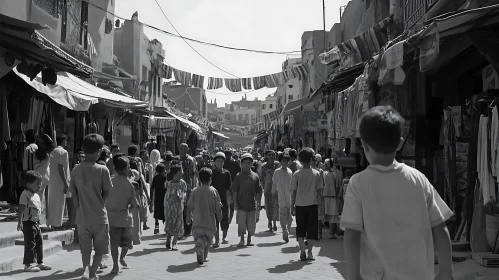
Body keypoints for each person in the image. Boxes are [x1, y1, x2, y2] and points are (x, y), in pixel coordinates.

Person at [341, 106, 453, 280]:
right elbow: (440, 227)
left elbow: (351, 235)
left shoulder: (358, 183)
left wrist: (353, 277)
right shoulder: (419, 179)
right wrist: (446, 272)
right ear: (400, 143)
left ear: (363, 145)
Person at [69, 134, 112, 280]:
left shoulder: (75, 170)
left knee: (85, 250)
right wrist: (100, 202)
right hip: (100, 217)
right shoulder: (102, 170)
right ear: (100, 151)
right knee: (100, 250)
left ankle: (86, 271)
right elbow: (107, 192)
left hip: (82, 218)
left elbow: (73, 193)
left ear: (83, 150)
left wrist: (78, 207)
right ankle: (93, 273)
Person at [291, 147, 323, 261]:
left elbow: (293, 192)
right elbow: (319, 192)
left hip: (299, 205)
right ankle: (310, 252)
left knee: (300, 228)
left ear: (300, 159)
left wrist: (292, 206)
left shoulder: (296, 174)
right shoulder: (317, 173)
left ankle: (302, 251)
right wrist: (320, 207)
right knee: (312, 230)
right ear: (311, 160)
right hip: (312, 205)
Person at [107, 156, 137, 274]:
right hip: (125, 219)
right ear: (127, 169)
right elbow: (134, 204)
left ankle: (115, 265)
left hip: (112, 218)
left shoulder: (110, 181)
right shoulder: (129, 184)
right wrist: (130, 214)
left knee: (114, 243)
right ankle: (122, 257)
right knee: (127, 243)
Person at [17, 171, 52, 272]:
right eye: (37, 184)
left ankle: (40, 262)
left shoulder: (36, 195)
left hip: (36, 223)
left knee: (39, 243)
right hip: (28, 223)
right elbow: (21, 209)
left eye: (40, 183)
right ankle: (28, 265)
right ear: (28, 184)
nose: (40, 186)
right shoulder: (25, 195)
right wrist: (19, 222)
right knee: (30, 244)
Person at [187, 168, 222, 265]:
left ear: (199, 178)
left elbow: (189, 206)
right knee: (209, 241)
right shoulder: (213, 191)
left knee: (199, 238)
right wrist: (219, 216)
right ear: (210, 179)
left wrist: (188, 217)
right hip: (209, 223)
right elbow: (218, 207)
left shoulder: (195, 191)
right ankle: (205, 256)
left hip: (197, 222)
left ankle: (199, 246)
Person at [232, 153, 262, 247]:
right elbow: (235, 190)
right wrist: (235, 202)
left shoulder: (255, 176)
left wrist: (258, 202)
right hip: (241, 204)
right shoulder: (238, 176)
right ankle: (242, 239)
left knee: (251, 224)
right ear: (241, 164)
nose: (247, 164)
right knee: (241, 224)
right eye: (245, 163)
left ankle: (249, 238)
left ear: (252, 163)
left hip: (252, 205)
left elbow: (259, 190)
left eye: (249, 162)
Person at [47, 134, 70, 229]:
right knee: (59, 203)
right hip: (60, 181)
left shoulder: (53, 151)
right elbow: (61, 167)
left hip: (52, 180)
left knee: (53, 202)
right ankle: (56, 224)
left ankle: (52, 222)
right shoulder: (63, 152)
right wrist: (65, 183)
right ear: (64, 141)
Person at [211, 152, 232, 247]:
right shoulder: (212, 173)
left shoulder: (226, 173)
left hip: (223, 199)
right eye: (218, 161)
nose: (220, 163)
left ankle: (224, 237)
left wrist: (230, 199)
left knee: (225, 219)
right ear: (214, 162)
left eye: (221, 161)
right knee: (215, 220)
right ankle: (217, 240)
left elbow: (228, 187)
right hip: (214, 199)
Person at [164, 164, 187, 250]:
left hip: (178, 206)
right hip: (170, 206)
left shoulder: (182, 183)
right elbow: (167, 195)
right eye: (181, 170)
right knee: (170, 222)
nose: (182, 172)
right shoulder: (169, 183)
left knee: (178, 222)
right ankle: (169, 239)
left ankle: (174, 242)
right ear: (176, 172)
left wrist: (182, 197)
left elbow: (184, 193)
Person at [271, 152, 293, 243]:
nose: (285, 163)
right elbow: (274, 184)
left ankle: (287, 229)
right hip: (280, 195)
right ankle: (284, 230)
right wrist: (273, 195)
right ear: (280, 162)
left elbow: (292, 185)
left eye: (287, 161)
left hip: (289, 196)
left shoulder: (290, 172)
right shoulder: (277, 172)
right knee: (282, 213)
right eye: (283, 161)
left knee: (290, 216)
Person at [178, 143, 197, 238]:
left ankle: (188, 229)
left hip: (188, 187)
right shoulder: (176, 160)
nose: (182, 151)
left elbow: (193, 175)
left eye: (184, 149)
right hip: (178, 187)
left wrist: (193, 187)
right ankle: (180, 229)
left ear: (187, 150)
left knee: (188, 208)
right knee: (179, 208)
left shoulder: (191, 160)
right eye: (181, 149)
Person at [259, 150, 280, 232]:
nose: (272, 156)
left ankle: (274, 223)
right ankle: (269, 221)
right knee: (268, 207)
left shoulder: (278, 165)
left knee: (276, 206)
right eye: (270, 155)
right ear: (266, 156)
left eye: (273, 155)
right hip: (267, 189)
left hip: (277, 189)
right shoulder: (263, 167)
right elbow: (261, 179)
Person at [322, 159, 343, 239]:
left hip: (324, 196)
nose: (324, 165)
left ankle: (319, 234)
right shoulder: (333, 174)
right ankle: (331, 234)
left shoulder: (323, 173)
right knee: (332, 216)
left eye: (325, 164)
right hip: (331, 196)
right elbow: (337, 186)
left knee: (322, 216)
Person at [150, 163, 167, 234]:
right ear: (163, 170)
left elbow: (152, 188)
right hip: (164, 197)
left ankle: (156, 227)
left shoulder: (155, 178)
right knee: (165, 212)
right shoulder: (165, 178)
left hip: (157, 197)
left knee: (156, 212)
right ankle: (166, 227)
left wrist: (151, 198)